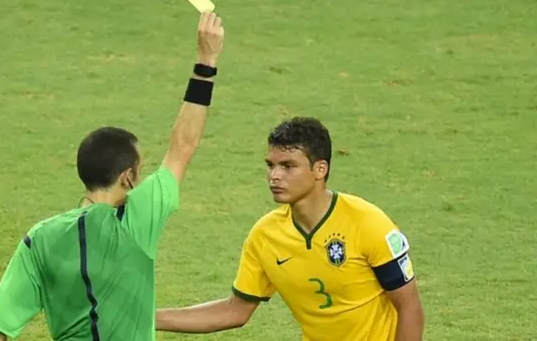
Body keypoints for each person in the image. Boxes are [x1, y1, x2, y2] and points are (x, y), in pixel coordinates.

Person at [0, 11, 225, 341]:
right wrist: (205, 60)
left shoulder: (40, 238)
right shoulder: (137, 219)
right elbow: (184, 145)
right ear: (127, 178)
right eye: (140, 170)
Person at [156, 117, 425, 341]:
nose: (274, 176)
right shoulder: (265, 235)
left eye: (288, 166)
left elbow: (409, 306)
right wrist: (147, 317)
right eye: (270, 165)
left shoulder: (366, 222)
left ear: (320, 169)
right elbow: (235, 311)